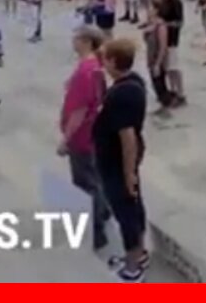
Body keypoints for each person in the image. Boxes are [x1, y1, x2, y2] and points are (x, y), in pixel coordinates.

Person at [93, 38, 149, 283]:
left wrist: (129, 175)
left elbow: (127, 138)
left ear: (114, 61)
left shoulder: (122, 94)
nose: (102, 62)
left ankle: (133, 267)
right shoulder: (133, 81)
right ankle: (140, 253)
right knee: (134, 206)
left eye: (105, 58)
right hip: (119, 159)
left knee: (125, 211)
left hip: (117, 162)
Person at [58, 26, 111, 251]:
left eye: (76, 37)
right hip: (95, 132)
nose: (73, 41)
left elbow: (79, 111)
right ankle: (105, 210)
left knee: (85, 183)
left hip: (82, 136)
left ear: (87, 42)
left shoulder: (84, 72)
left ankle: (96, 230)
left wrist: (66, 139)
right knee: (96, 176)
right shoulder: (94, 67)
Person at [155, 0, 186, 107]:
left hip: (172, 39)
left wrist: (164, 24)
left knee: (174, 67)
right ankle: (173, 90)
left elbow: (179, 22)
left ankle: (180, 92)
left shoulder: (175, 2)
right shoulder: (164, 0)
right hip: (164, 38)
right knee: (168, 67)